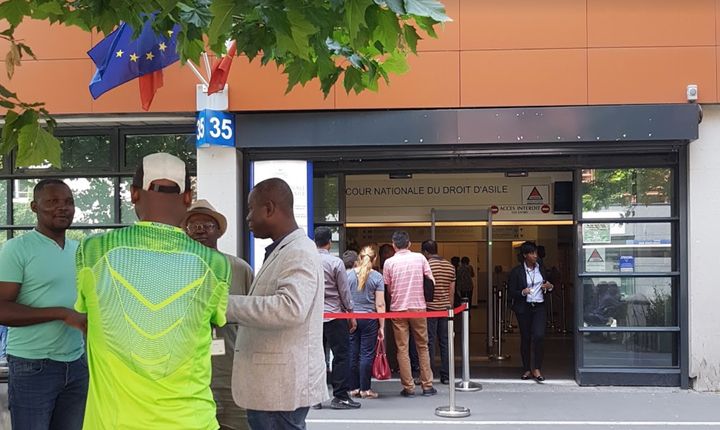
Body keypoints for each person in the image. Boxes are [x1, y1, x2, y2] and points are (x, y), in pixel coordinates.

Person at [74, 153, 231, 429]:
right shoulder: (216, 265)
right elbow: (214, 320)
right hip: (191, 421)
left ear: (133, 194)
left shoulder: (93, 251)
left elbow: (86, 312)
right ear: (187, 197)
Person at [226, 178, 328, 429]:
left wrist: (225, 305)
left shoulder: (298, 251)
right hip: (274, 387)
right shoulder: (286, 249)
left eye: (251, 209)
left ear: (269, 208)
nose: (248, 217)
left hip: (280, 389)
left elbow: (290, 308)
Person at [0, 179, 88, 430]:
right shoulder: (17, 249)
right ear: (34, 207)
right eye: (52, 201)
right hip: (33, 366)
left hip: (77, 363)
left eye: (68, 202)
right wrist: (61, 314)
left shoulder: (80, 251)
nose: (63, 207)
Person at [183, 199, 254, 430]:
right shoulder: (176, 270)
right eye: (194, 226)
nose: (200, 230)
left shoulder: (240, 269)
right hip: (188, 378)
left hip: (233, 374)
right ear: (185, 231)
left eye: (208, 225)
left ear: (219, 231)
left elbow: (253, 318)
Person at [383, 231, 436, 397]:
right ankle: (427, 385)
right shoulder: (420, 258)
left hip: (398, 308)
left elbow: (388, 288)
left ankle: (409, 387)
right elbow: (431, 281)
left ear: (394, 245)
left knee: (402, 348)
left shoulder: (389, 263)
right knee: (422, 346)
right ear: (409, 244)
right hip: (418, 307)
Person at [314, 226, 360, 410]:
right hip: (334, 315)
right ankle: (340, 396)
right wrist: (351, 313)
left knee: (316, 356)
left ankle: (316, 398)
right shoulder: (335, 262)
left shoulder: (307, 261)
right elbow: (344, 291)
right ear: (329, 242)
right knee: (341, 356)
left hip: (313, 317)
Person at [508, 241, 554, 382]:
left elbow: (549, 284)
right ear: (525, 255)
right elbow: (511, 292)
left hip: (539, 306)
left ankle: (537, 368)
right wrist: (522, 292)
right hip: (524, 307)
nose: (535, 256)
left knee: (539, 336)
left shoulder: (541, 268)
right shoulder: (516, 272)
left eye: (536, 253)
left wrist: (549, 287)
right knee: (526, 337)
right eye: (532, 253)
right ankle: (527, 368)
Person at [348, 246, 386, 399]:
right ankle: (365, 389)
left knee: (353, 352)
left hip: (351, 318)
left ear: (359, 258)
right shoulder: (377, 277)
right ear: (375, 259)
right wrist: (382, 326)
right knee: (366, 354)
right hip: (370, 319)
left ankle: (353, 388)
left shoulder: (348, 275)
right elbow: (380, 304)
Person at [421, 240, 455, 385]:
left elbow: (423, 288)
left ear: (425, 252)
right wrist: (450, 308)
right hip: (445, 309)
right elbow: (451, 291)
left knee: (428, 342)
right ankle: (446, 375)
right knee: (445, 342)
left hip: (429, 308)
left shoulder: (426, 265)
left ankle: (428, 375)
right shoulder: (450, 266)